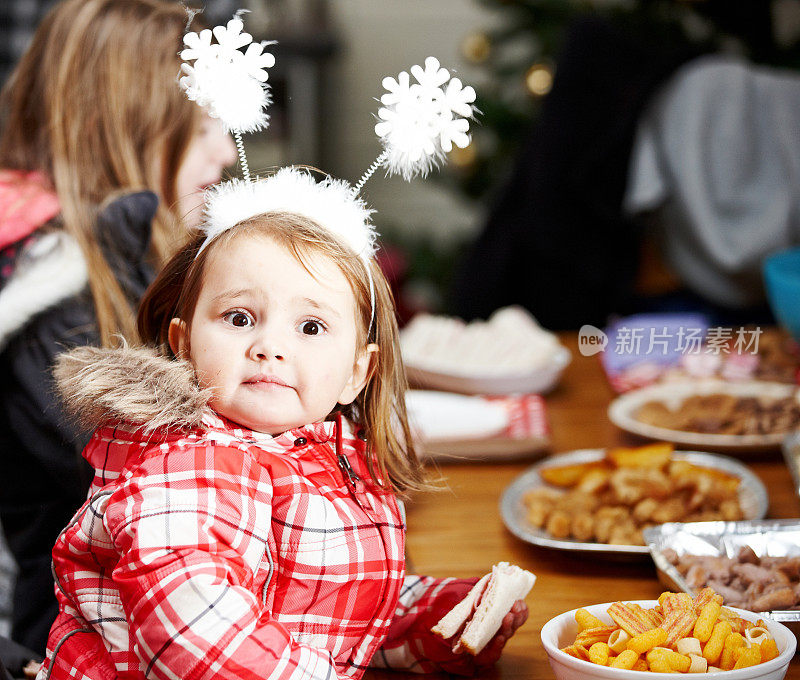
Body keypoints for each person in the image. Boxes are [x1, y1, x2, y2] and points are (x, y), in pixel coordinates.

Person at [39, 167, 529, 679]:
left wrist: (440, 616)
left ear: (357, 373)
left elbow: (330, 603)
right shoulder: (187, 467)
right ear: (183, 344)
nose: (269, 346)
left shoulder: (319, 457)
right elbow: (198, 639)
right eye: (240, 318)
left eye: (311, 327)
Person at [0, 0, 237, 653]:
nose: (225, 148)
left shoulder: (125, 252)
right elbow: (172, 498)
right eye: (208, 122)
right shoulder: (50, 306)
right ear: (129, 125)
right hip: (89, 650)